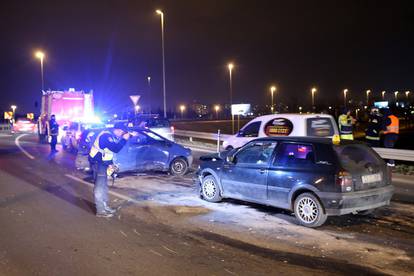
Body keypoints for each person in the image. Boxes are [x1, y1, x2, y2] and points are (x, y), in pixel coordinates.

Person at [89, 122, 130, 217]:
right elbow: (115, 149)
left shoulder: (110, 135)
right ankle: (100, 210)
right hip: (98, 163)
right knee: (100, 187)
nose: (121, 135)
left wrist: (111, 164)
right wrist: (124, 139)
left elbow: (107, 152)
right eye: (122, 133)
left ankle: (104, 206)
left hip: (103, 163)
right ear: (118, 130)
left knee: (103, 186)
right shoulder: (106, 136)